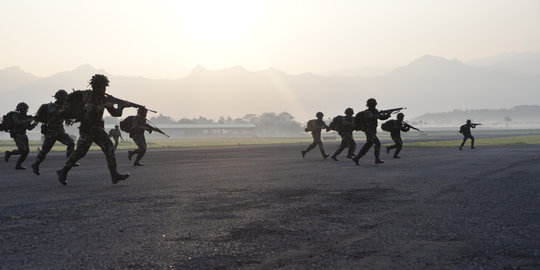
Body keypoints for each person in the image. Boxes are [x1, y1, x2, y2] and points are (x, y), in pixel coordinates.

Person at [56, 74, 129, 185]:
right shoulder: (87, 96)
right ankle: (63, 171)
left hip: (98, 129)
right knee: (80, 152)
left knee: (109, 147)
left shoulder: (103, 98)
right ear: (96, 86)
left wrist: (122, 106)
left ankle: (114, 175)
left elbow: (115, 114)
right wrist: (105, 105)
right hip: (87, 129)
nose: (104, 89)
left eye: (104, 87)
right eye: (102, 87)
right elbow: (89, 110)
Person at [30, 90, 78, 175]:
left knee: (71, 142)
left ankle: (70, 161)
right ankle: (36, 164)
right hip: (51, 132)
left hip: (60, 132)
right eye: (64, 98)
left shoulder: (64, 106)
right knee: (44, 151)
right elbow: (55, 113)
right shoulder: (51, 106)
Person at [353, 98, 390, 165]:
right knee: (377, 143)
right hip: (369, 131)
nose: (374, 106)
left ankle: (357, 158)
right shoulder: (367, 112)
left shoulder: (375, 111)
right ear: (370, 105)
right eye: (373, 104)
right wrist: (384, 114)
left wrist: (387, 115)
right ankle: (377, 159)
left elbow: (380, 117)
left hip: (372, 131)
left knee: (368, 145)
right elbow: (375, 117)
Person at [4, 102, 37, 169]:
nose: (26, 111)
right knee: (22, 150)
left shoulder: (26, 117)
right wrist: (27, 120)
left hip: (23, 135)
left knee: (26, 151)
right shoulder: (15, 116)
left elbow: (29, 128)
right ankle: (9, 153)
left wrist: (35, 123)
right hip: (17, 134)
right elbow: (17, 122)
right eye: (25, 109)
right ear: (21, 110)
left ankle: (18, 165)